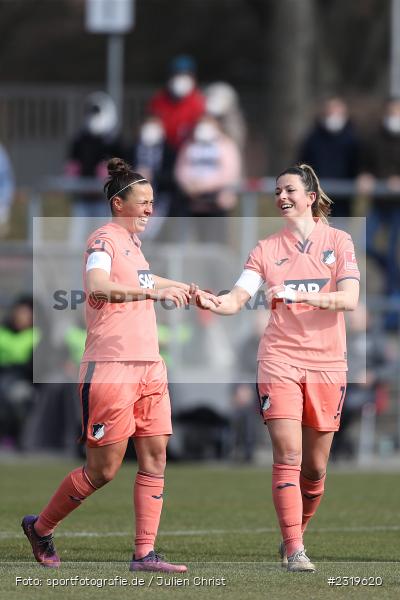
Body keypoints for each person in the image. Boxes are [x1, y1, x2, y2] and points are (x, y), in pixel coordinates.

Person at [21, 157, 219, 571]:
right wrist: (153, 295)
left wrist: (186, 289)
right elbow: (98, 286)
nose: (150, 208)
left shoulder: (133, 246)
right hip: (110, 367)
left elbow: (146, 281)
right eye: (143, 201)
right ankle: (40, 527)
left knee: (155, 457)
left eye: (152, 201)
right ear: (118, 204)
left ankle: (144, 554)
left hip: (149, 367)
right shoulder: (103, 240)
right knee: (103, 470)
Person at [197, 164, 360, 571]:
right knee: (288, 452)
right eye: (276, 191)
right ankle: (295, 548)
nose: (281, 197)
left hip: (327, 363)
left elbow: (350, 298)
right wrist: (214, 301)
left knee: (317, 466)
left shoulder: (338, 242)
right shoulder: (266, 249)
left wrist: (300, 295)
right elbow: (238, 297)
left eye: (289, 190)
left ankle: (294, 534)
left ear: (310, 195)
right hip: (279, 359)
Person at [357, 97, 400, 325]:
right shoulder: (374, 139)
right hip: (379, 204)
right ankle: (389, 271)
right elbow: (365, 164)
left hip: (398, 208)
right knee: (365, 244)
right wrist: (366, 175)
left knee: (395, 253)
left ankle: (392, 316)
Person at [65, 92, 126, 244]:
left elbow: (125, 168)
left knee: (103, 240)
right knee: (78, 240)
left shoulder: (115, 141)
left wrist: (112, 172)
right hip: (82, 197)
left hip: (104, 200)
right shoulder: (81, 139)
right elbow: (72, 163)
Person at [174, 114, 242, 240]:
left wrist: (203, 185)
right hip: (193, 201)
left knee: (217, 239)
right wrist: (189, 185)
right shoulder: (190, 145)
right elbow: (181, 169)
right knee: (197, 240)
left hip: (217, 202)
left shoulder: (225, 144)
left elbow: (229, 173)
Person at [298, 96, 360, 218]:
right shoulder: (313, 138)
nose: (334, 115)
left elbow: (358, 164)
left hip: (344, 199)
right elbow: (302, 163)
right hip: (317, 197)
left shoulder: (353, 139)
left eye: (337, 112)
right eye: (331, 111)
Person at [147, 55, 205, 152]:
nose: (180, 80)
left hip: (189, 150)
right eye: (177, 75)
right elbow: (151, 123)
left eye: (185, 75)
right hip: (163, 150)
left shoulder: (199, 101)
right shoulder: (159, 100)